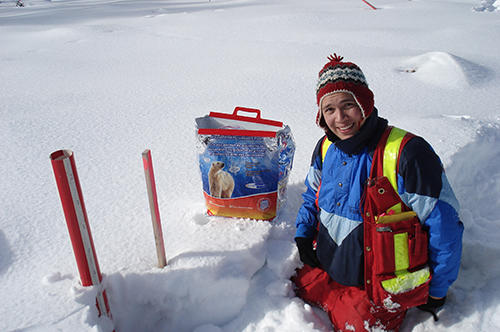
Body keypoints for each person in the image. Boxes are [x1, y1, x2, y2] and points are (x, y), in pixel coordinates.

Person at [292, 53, 463, 331]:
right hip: (327, 271)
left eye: (349, 105)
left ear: (366, 104)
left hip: (378, 290)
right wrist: (303, 234)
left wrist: (437, 291)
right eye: (329, 110)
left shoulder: (408, 153)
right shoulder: (325, 147)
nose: (340, 118)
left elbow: (445, 229)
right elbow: (312, 195)